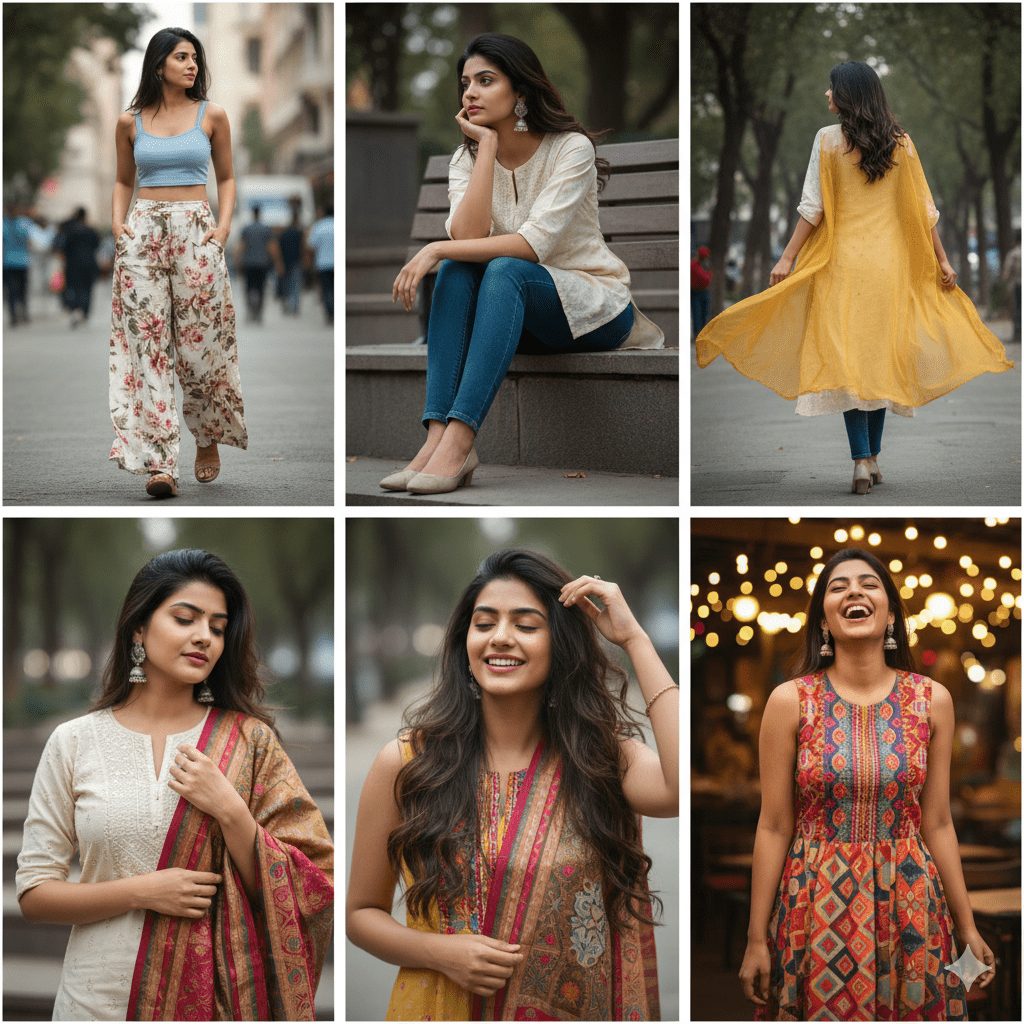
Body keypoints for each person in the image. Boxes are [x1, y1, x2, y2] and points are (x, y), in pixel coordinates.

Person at [347, 549, 678, 1021]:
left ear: (559, 644)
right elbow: (361, 915)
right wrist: (443, 953)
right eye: (484, 624)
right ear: (466, 640)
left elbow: (679, 787)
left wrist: (635, 639)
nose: (501, 639)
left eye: (526, 625)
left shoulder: (600, 759)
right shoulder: (408, 763)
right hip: (441, 1006)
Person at [16, 548, 333, 1021]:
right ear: (139, 629)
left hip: (216, 1004)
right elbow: (35, 894)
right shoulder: (74, 742)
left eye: (218, 627)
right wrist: (143, 891)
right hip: (95, 1001)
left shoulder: (250, 741)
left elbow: (314, 882)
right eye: (185, 618)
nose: (203, 636)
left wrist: (230, 810)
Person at [696, 62, 1012, 496]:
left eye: (832, 89)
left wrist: (787, 257)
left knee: (848, 365)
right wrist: (942, 260)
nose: (826, 95)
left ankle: (863, 459)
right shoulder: (901, 144)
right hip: (889, 270)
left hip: (840, 267)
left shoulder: (827, 141)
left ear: (848, 95)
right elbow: (925, 212)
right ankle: (873, 458)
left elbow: (812, 207)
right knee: (879, 362)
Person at [380, 34, 665, 496]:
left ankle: (461, 437)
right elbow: (469, 238)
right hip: (515, 311)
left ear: (521, 93)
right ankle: (436, 437)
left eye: (486, 81)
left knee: (497, 268)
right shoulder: (465, 157)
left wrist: (433, 248)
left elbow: (532, 246)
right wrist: (486, 151)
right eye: (466, 82)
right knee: (460, 268)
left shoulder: (570, 149)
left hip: (594, 309)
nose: (469, 92)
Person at [739, 548, 996, 1020]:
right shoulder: (789, 701)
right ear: (823, 621)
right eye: (838, 587)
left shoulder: (931, 699)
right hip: (816, 900)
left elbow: (938, 822)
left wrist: (967, 926)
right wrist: (757, 938)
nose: (854, 591)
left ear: (892, 614)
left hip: (913, 898)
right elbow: (774, 825)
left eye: (868, 584)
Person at [109, 27, 248, 499]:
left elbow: (226, 177)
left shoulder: (213, 115)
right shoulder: (130, 121)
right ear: (158, 64)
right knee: (148, 347)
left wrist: (223, 228)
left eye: (195, 58)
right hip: (143, 231)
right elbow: (123, 181)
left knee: (201, 344)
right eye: (181, 57)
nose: (192, 65)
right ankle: (160, 461)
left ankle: (206, 437)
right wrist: (117, 224)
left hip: (196, 229)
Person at [57, 207, 101, 327]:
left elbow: (62, 247)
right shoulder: (91, 230)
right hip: (89, 263)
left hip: (73, 264)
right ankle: (84, 311)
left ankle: (75, 309)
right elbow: (97, 245)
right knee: (87, 288)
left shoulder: (70, 231)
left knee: (74, 287)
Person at [237, 204, 274, 324]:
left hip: (249, 263)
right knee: (261, 288)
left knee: (249, 288)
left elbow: (242, 246)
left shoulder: (247, 229)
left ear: (253, 214)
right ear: (260, 214)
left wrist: (238, 260)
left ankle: (249, 310)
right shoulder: (266, 229)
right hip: (263, 263)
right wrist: (277, 262)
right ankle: (259, 312)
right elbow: (271, 247)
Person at [3, 201, 35, 325]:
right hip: (22, 261)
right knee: (22, 289)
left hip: (8, 262)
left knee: (11, 290)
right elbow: (29, 241)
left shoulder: (3, 224)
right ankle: (23, 312)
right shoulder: (24, 223)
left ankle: (13, 315)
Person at [276, 200, 305, 316]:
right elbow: (303, 248)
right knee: (296, 285)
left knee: (287, 284)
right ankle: (295, 306)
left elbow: (279, 249)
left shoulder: (284, 234)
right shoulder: (299, 233)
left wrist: (279, 263)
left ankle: (287, 304)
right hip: (296, 262)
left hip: (286, 262)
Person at [306, 203, 334, 325]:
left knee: (327, 289)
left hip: (323, 263)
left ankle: (330, 312)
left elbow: (311, 246)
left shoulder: (319, 227)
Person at [1002, 229, 1021, 344]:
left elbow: (1007, 272)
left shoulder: (1014, 254)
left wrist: (1005, 280)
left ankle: (1018, 332)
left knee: (1018, 308)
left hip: (1018, 285)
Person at [691, 244, 712, 337]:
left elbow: (707, 279)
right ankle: (698, 334)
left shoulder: (704, 265)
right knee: (697, 314)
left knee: (704, 313)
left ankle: (702, 333)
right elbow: (705, 278)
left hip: (703, 291)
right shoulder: (694, 265)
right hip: (696, 292)